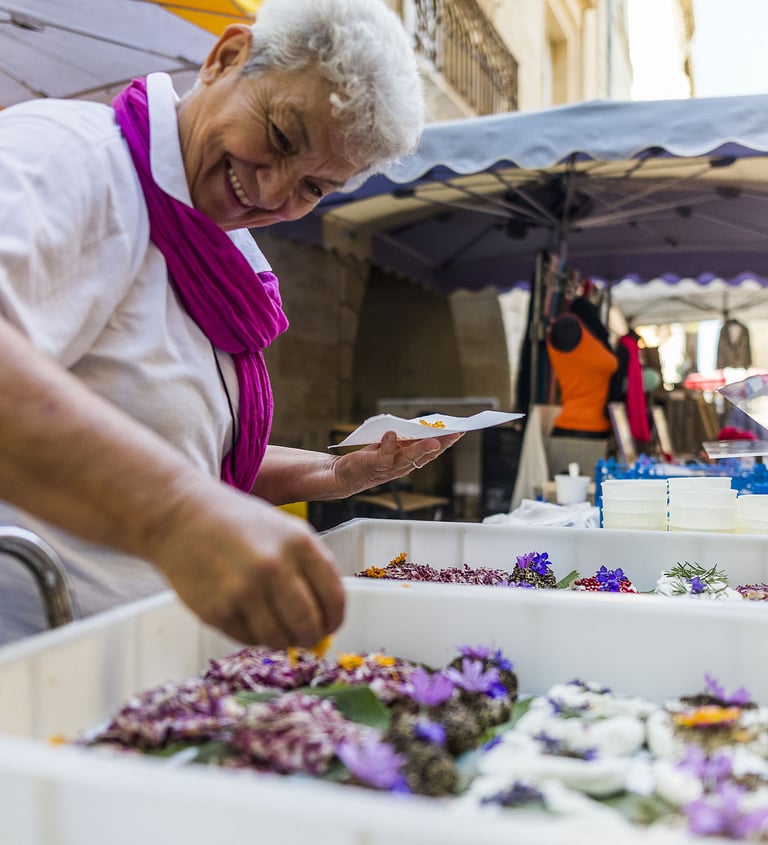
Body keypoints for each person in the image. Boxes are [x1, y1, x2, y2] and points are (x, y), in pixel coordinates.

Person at [0, 0, 461, 647]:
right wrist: (176, 514)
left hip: (145, 658)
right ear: (226, 58)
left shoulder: (224, 249)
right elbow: (181, 491)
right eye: (280, 136)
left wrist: (336, 476)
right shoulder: (69, 156)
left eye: (314, 187)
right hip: (32, 656)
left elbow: (191, 455)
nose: (273, 192)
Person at [545, 296, 618, 476]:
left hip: (595, 431)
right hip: (576, 430)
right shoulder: (568, 328)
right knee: (567, 490)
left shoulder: (589, 335)